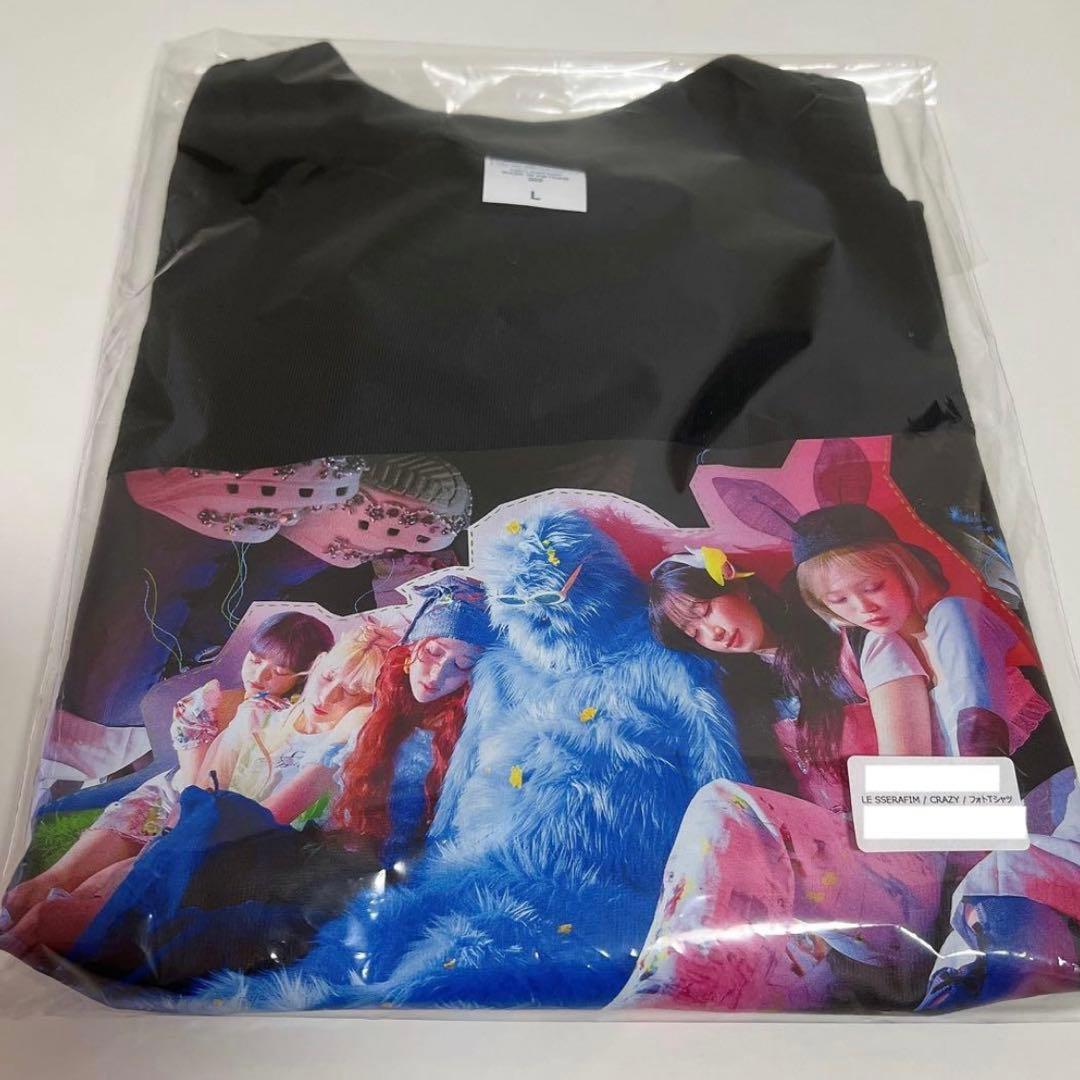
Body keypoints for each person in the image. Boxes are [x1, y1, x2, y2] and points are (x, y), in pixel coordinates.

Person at [614, 542, 948, 1012]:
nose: (712, 633)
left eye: (706, 610)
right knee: (741, 997)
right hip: (837, 915)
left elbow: (912, 786)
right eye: (693, 631)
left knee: (722, 802)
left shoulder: (861, 646)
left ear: (739, 585)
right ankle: (655, 1006)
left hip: (909, 874)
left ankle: (661, 995)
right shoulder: (746, 705)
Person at [2, 622, 394, 963]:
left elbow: (258, 820)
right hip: (181, 812)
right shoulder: (259, 713)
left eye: (352, 692)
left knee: (73, 910)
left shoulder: (343, 744)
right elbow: (200, 788)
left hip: (215, 845)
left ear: (369, 702)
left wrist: (157, 857)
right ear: (318, 664)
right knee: (37, 893)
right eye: (328, 678)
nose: (328, 697)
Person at [792, 504, 1048, 760]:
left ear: (905, 569)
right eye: (838, 600)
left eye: (873, 587)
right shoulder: (882, 646)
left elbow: (979, 740)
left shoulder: (953, 615)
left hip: (1036, 762)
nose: (863, 607)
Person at [327, 575, 496, 867]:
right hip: (337, 850)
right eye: (433, 652)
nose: (437, 674)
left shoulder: (462, 736)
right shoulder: (373, 705)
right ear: (412, 647)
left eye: (462, 664)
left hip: (400, 870)